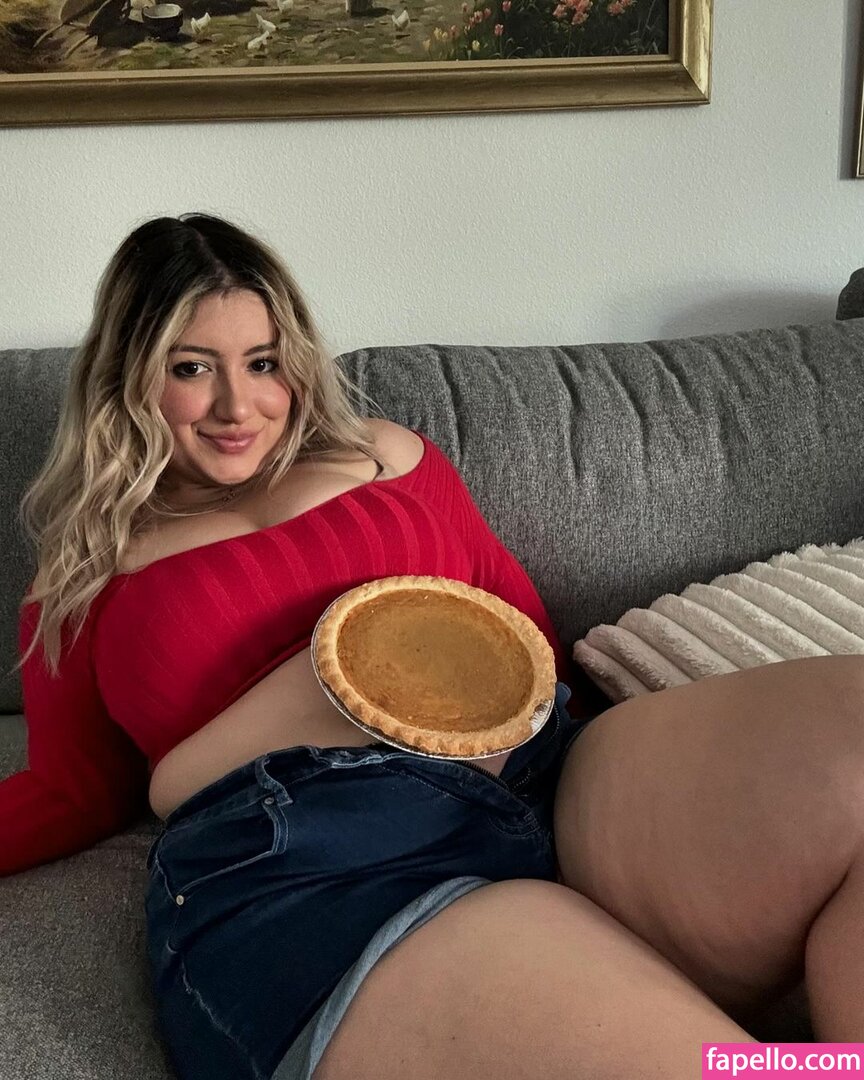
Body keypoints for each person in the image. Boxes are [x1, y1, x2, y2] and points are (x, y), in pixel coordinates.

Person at [3, 214, 862, 1080]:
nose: (238, 406)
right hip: (319, 856)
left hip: (549, 769)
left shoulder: (389, 456)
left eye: (263, 363)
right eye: (191, 368)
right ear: (128, 378)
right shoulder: (84, 573)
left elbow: (525, 636)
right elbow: (70, 791)